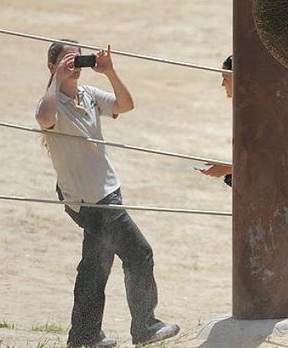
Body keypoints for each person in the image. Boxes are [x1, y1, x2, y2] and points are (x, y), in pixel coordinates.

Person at [35, 40, 179, 348]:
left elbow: (125, 105)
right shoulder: (51, 103)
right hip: (89, 201)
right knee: (140, 254)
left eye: (77, 59)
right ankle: (146, 327)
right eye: (66, 61)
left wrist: (110, 71)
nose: (74, 65)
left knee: (94, 266)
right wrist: (56, 79)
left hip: (107, 192)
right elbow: (44, 119)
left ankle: (84, 336)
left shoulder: (88, 95)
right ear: (52, 67)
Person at [196, 55, 288, 315]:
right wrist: (228, 172)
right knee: (270, 258)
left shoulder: (253, 113)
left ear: (238, 78)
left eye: (224, 78)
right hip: (262, 195)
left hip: (268, 198)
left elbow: (262, 163)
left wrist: (226, 169)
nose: (222, 85)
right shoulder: (254, 108)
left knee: (275, 258)